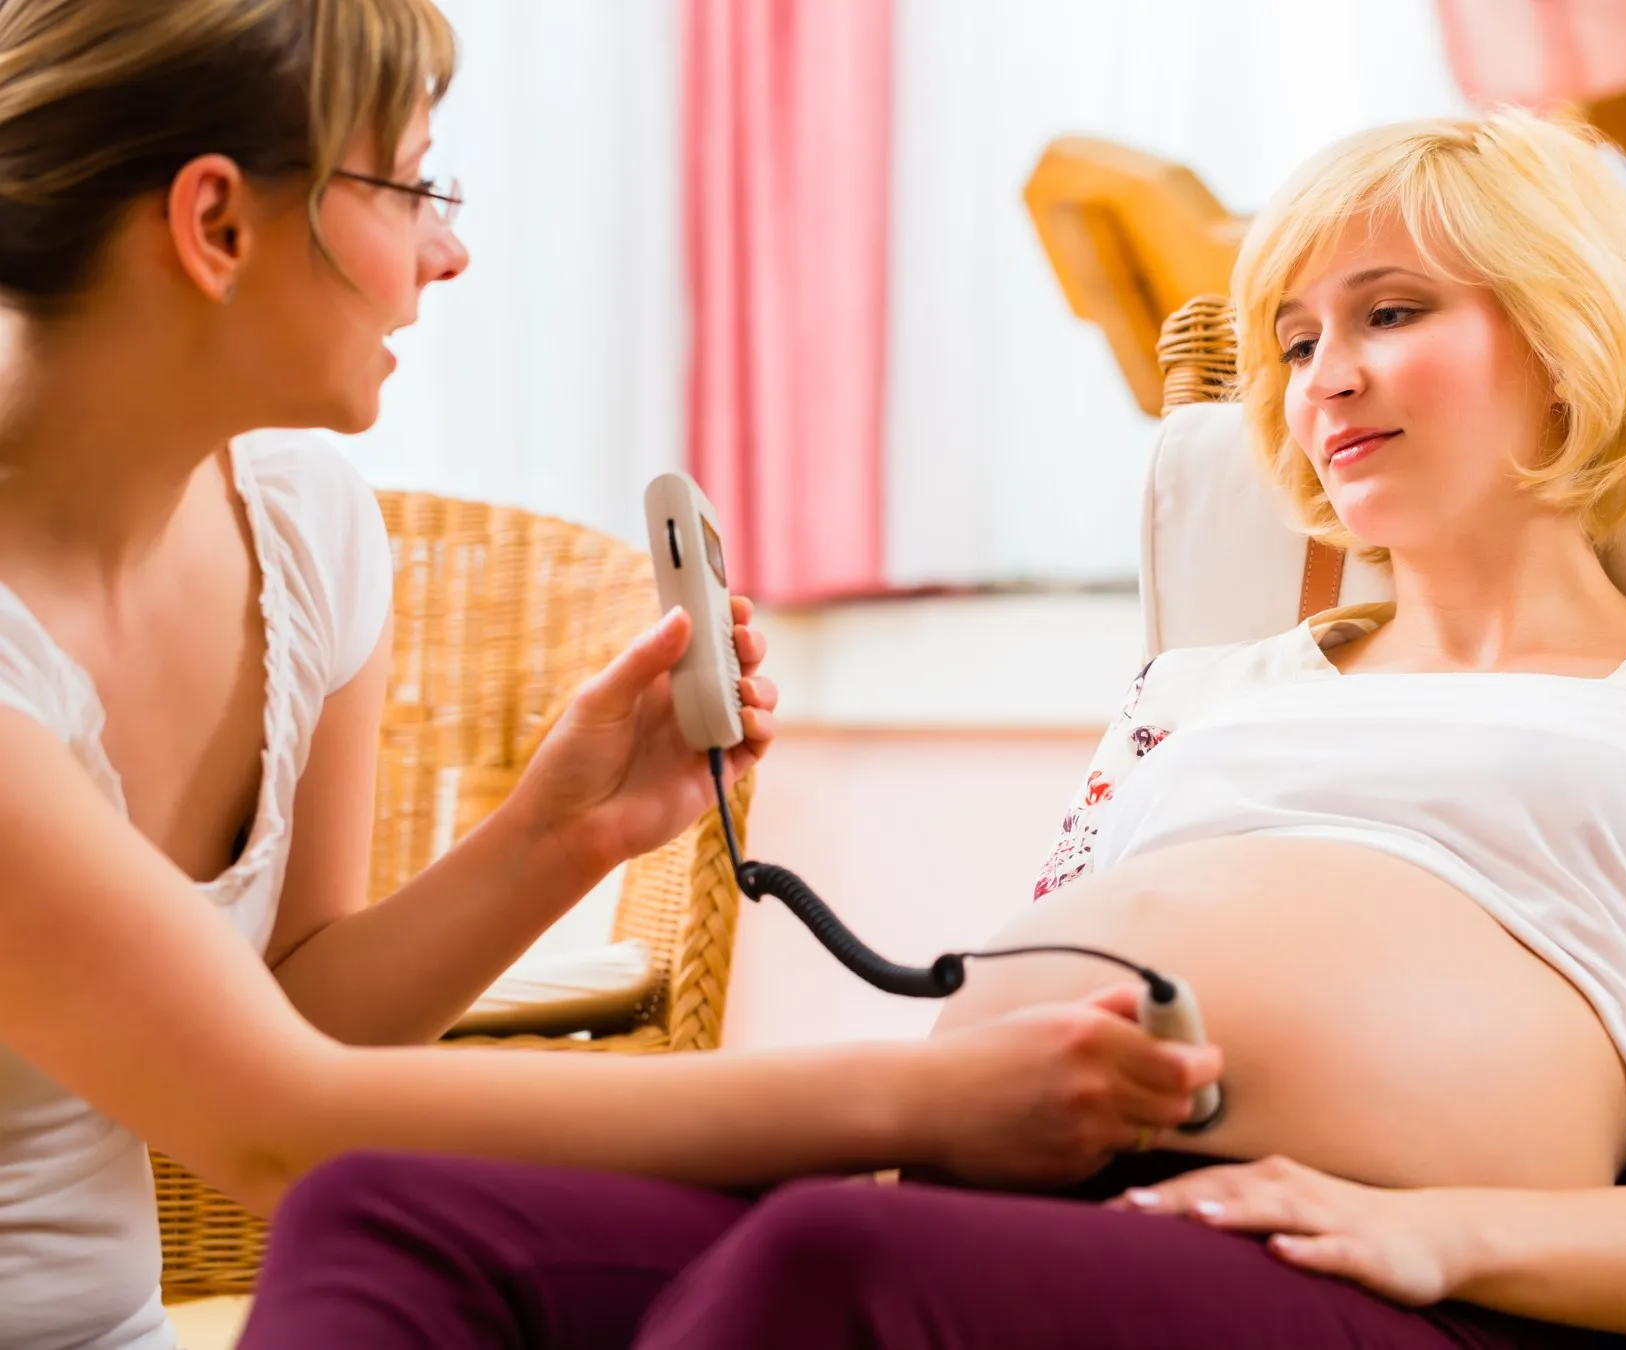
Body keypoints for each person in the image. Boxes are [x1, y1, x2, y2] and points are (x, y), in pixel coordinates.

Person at [239, 105, 1626, 1350]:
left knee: (832, 1272)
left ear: (1565, 338)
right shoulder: (1204, 686)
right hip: (979, 1209)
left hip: (1387, 1289)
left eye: (1390, 311)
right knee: (376, 1210)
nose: (1320, 378)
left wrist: (1424, 1236)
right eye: (1290, 339)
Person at [0, 3, 1220, 1347]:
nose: (449, 252)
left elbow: (293, 1018)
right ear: (216, 224)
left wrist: (559, 833)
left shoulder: (300, 527)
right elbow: (278, 1126)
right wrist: (923, 1097)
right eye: (412, 185)